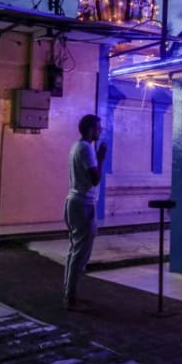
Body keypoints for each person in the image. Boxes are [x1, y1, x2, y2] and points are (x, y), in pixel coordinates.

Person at [63, 114, 107, 310]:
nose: (101, 130)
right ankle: (70, 298)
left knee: (74, 250)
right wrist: (101, 157)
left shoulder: (76, 146)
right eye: (98, 127)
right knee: (80, 253)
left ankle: (69, 292)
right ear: (90, 129)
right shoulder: (88, 149)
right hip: (83, 204)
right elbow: (95, 179)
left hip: (73, 201)